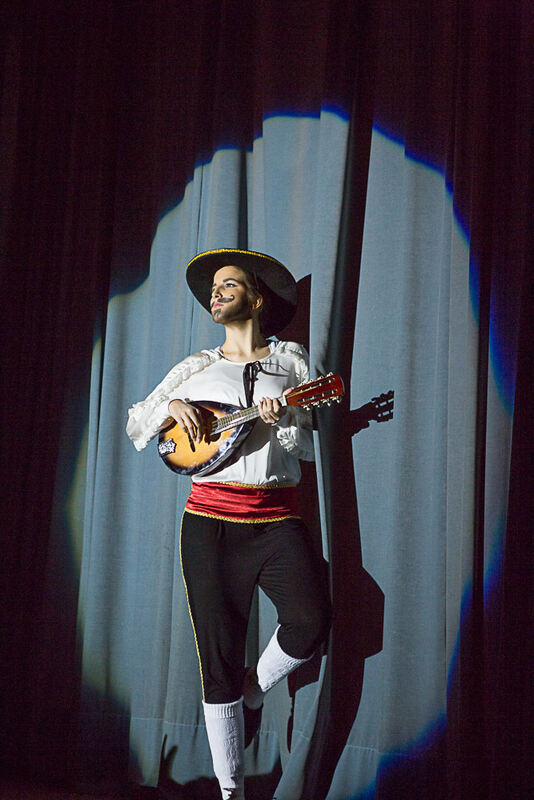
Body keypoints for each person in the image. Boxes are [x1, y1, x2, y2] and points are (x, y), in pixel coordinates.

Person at [126, 249, 330, 800]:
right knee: (216, 661)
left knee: (310, 621)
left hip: (276, 519)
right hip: (209, 524)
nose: (215, 293)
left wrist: (285, 414)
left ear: (257, 298)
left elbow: (309, 445)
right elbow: (140, 425)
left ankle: (256, 689)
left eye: (229, 285)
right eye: (212, 288)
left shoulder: (290, 364)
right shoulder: (196, 369)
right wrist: (174, 409)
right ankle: (231, 792)